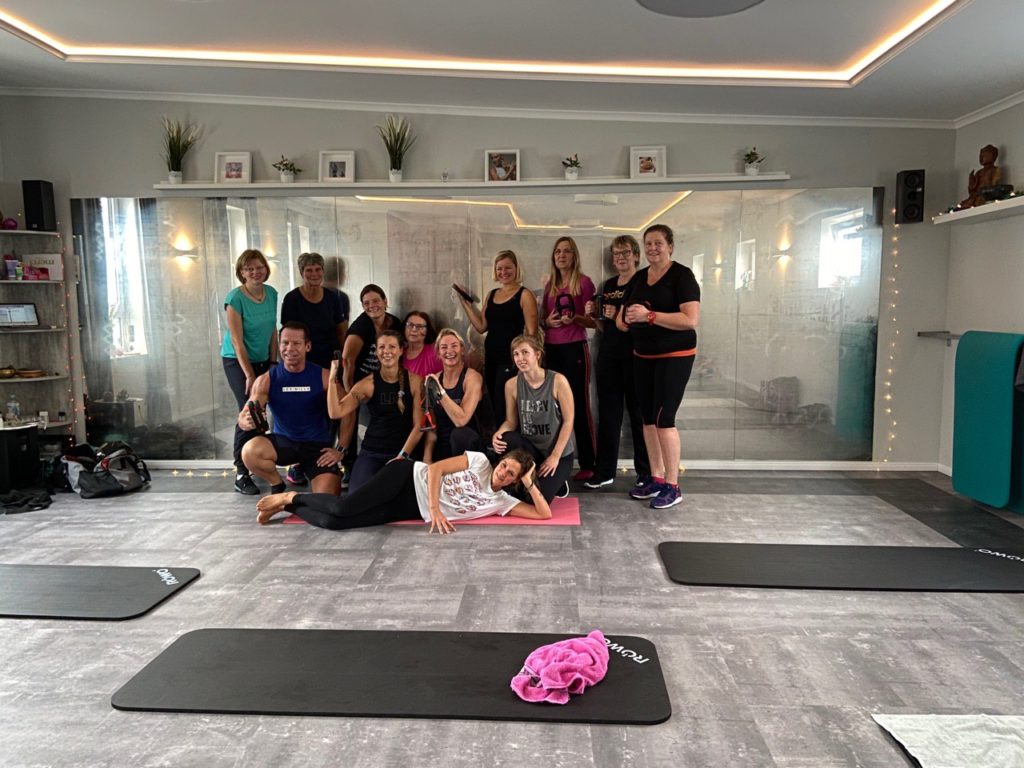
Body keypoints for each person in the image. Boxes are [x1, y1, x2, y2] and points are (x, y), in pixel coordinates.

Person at [255, 449, 550, 532]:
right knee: (343, 507)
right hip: (407, 477)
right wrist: (435, 509)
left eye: (511, 473)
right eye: (505, 464)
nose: (503, 471)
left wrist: (529, 481)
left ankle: (287, 506)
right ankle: (290, 495)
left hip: (410, 508)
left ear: (514, 481)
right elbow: (435, 469)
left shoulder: (501, 501)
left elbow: (543, 514)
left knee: (336, 523)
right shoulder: (480, 462)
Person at [616, 224, 700, 510]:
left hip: (675, 355)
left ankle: (673, 486)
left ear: (670, 246)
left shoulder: (682, 276)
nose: (653, 248)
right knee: (648, 419)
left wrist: (650, 316)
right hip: (643, 356)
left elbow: (690, 320)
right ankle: (656, 478)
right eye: (649, 243)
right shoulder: (639, 278)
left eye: (658, 243)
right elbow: (622, 320)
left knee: (665, 419)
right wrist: (627, 318)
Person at [237, 322, 342, 497]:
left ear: (307, 346)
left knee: (326, 499)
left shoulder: (324, 376)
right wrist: (245, 421)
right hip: (285, 443)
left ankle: (309, 477)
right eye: (285, 343)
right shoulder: (266, 380)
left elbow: (348, 411)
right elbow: (247, 411)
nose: (289, 348)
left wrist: (340, 449)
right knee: (249, 451)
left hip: (317, 447)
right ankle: (277, 484)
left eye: (296, 343)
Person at [583, 235, 651, 489]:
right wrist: (595, 315)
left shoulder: (643, 282)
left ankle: (645, 472)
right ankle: (605, 471)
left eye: (625, 253)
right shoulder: (608, 285)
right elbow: (603, 327)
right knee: (608, 416)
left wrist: (616, 317)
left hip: (635, 356)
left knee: (638, 415)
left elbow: (641, 320)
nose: (620, 258)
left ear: (636, 255)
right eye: (616, 253)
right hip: (609, 356)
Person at [280, 251, 349, 486]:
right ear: (302, 273)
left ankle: (325, 458)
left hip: (329, 363)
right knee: (303, 410)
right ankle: (298, 463)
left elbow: (341, 330)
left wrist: (342, 360)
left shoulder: (333, 298)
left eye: (318, 269)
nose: (314, 274)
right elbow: (287, 333)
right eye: (309, 270)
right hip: (301, 364)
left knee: (330, 412)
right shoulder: (292, 299)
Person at [331, 329, 424, 492]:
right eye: (381, 347)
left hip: (403, 452)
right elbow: (336, 412)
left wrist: (402, 455)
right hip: (372, 453)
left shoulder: (415, 381)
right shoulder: (367, 384)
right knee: (356, 498)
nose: (386, 351)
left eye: (392, 347)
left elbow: (419, 426)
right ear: (376, 351)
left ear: (401, 350)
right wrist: (333, 379)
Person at [455, 250, 538, 426]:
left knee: (506, 407)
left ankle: (509, 440)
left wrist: (525, 362)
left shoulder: (524, 294)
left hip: (512, 360)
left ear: (516, 268)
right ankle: (502, 439)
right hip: (491, 357)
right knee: (495, 404)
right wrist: (465, 303)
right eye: (499, 268)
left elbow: (532, 334)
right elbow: (481, 326)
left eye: (508, 268)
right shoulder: (492, 294)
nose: (503, 272)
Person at [221, 249, 278, 495]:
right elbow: (237, 341)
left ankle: (255, 462)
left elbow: (273, 330)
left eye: (259, 267)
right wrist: (249, 375)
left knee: (261, 413)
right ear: (241, 272)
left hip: (264, 359)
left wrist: (274, 362)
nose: (255, 272)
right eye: (249, 269)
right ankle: (241, 473)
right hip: (238, 361)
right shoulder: (235, 299)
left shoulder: (272, 293)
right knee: (249, 411)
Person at [540, 236, 597, 482]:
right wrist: (547, 322)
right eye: (558, 252)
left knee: (579, 407)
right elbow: (543, 320)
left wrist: (574, 318)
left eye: (566, 251)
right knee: (554, 410)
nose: (561, 256)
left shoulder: (584, 283)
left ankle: (589, 463)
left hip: (575, 349)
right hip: (551, 350)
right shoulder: (550, 286)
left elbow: (593, 322)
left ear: (574, 256)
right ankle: (556, 462)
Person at [491, 334, 575, 502]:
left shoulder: (558, 381)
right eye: (516, 354)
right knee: (506, 437)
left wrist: (555, 456)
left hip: (557, 453)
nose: (520, 358)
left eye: (525, 352)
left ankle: (557, 480)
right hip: (530, 451)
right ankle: (529, 478)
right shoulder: (512, 385)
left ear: (537, 354)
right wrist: (498, 434)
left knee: (535, 499)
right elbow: (511, 422)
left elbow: (568, 421)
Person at [339, 284, 401, 481]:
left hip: (379, 378)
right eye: (366, 303)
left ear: (385, 301)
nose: (372, 306)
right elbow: (347, 362)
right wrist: (350, 392)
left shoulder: (394, 323)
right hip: (354, 378)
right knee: (350, 415)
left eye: (376, 301)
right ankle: (348, 464)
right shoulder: (361, 327)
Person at [422, 328, 484, 462]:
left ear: (462, 350)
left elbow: (461, 421)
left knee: (459, 434)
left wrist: (440, 392)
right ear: (438, 353)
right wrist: (427, 459)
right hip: (442, 446)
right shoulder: (435, 380)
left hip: (468, 448)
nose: (449, 351)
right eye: (444, 347)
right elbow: (432, 429)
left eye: (454, 346)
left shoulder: (472, 377)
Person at [402, 310, 442, 378]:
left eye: (419, 326)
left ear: (427, 331)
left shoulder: (434, 354)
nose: (414, 329)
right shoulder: (399, 352)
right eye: (410, 325)